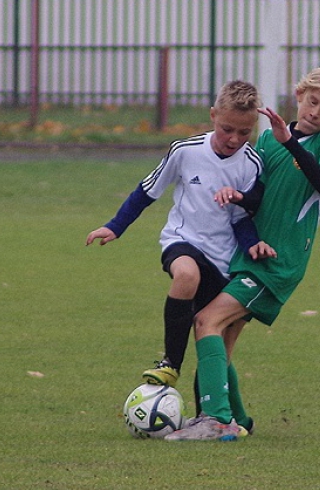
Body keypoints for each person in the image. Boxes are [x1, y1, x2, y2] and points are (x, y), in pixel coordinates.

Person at [165, 66, 320, 441]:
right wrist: (238, 196)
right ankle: (237, 420)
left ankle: (215, 420)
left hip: (279, 263)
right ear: (300, 95)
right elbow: (257, 195)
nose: (316, 111)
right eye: (312, 101)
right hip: (251, 255)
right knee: (220, 340)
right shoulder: (267, 140)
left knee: (206, 320)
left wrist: (290, 142)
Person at [85, 80, 276, 389]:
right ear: (213, 115)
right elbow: (147, 191)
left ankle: (222, 417)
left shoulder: (251, 163)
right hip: (182, 240)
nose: (234, 139)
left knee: (216, 346)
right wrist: (115, 226)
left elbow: (242, 220)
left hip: (222, 258)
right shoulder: (185, 151)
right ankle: (171, 363)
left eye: (244, 132)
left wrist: (253, 245)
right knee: (185, 275)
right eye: (227, 128)